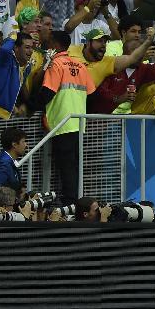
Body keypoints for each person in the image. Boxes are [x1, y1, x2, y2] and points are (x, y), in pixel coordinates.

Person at [33, 30, 94, 204]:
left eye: (50, 41)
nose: (47, 44)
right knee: (73, 165)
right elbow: (91, 94)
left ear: (56, 45)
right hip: (78, 123)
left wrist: (31, 107)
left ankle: (70, 203)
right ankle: (73, 202)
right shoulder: (81, 65)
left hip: (62, 122)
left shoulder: (56, 64)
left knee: (65, 166)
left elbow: (47, 92)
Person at [91, 36, 155, 114]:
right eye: (137, 53)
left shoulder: (143, 69)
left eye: (141, 52)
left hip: (124, 118)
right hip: (96, 115)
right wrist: (118, 98)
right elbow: (100, 92)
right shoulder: (112, 66)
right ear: (126, 53)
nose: (140, 55)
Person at [0, 127, 27, 199]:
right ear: (14, 145)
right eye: (23, 142)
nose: (26, 145)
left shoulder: (8, 162)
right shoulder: (3, 165)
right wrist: (1, 207)